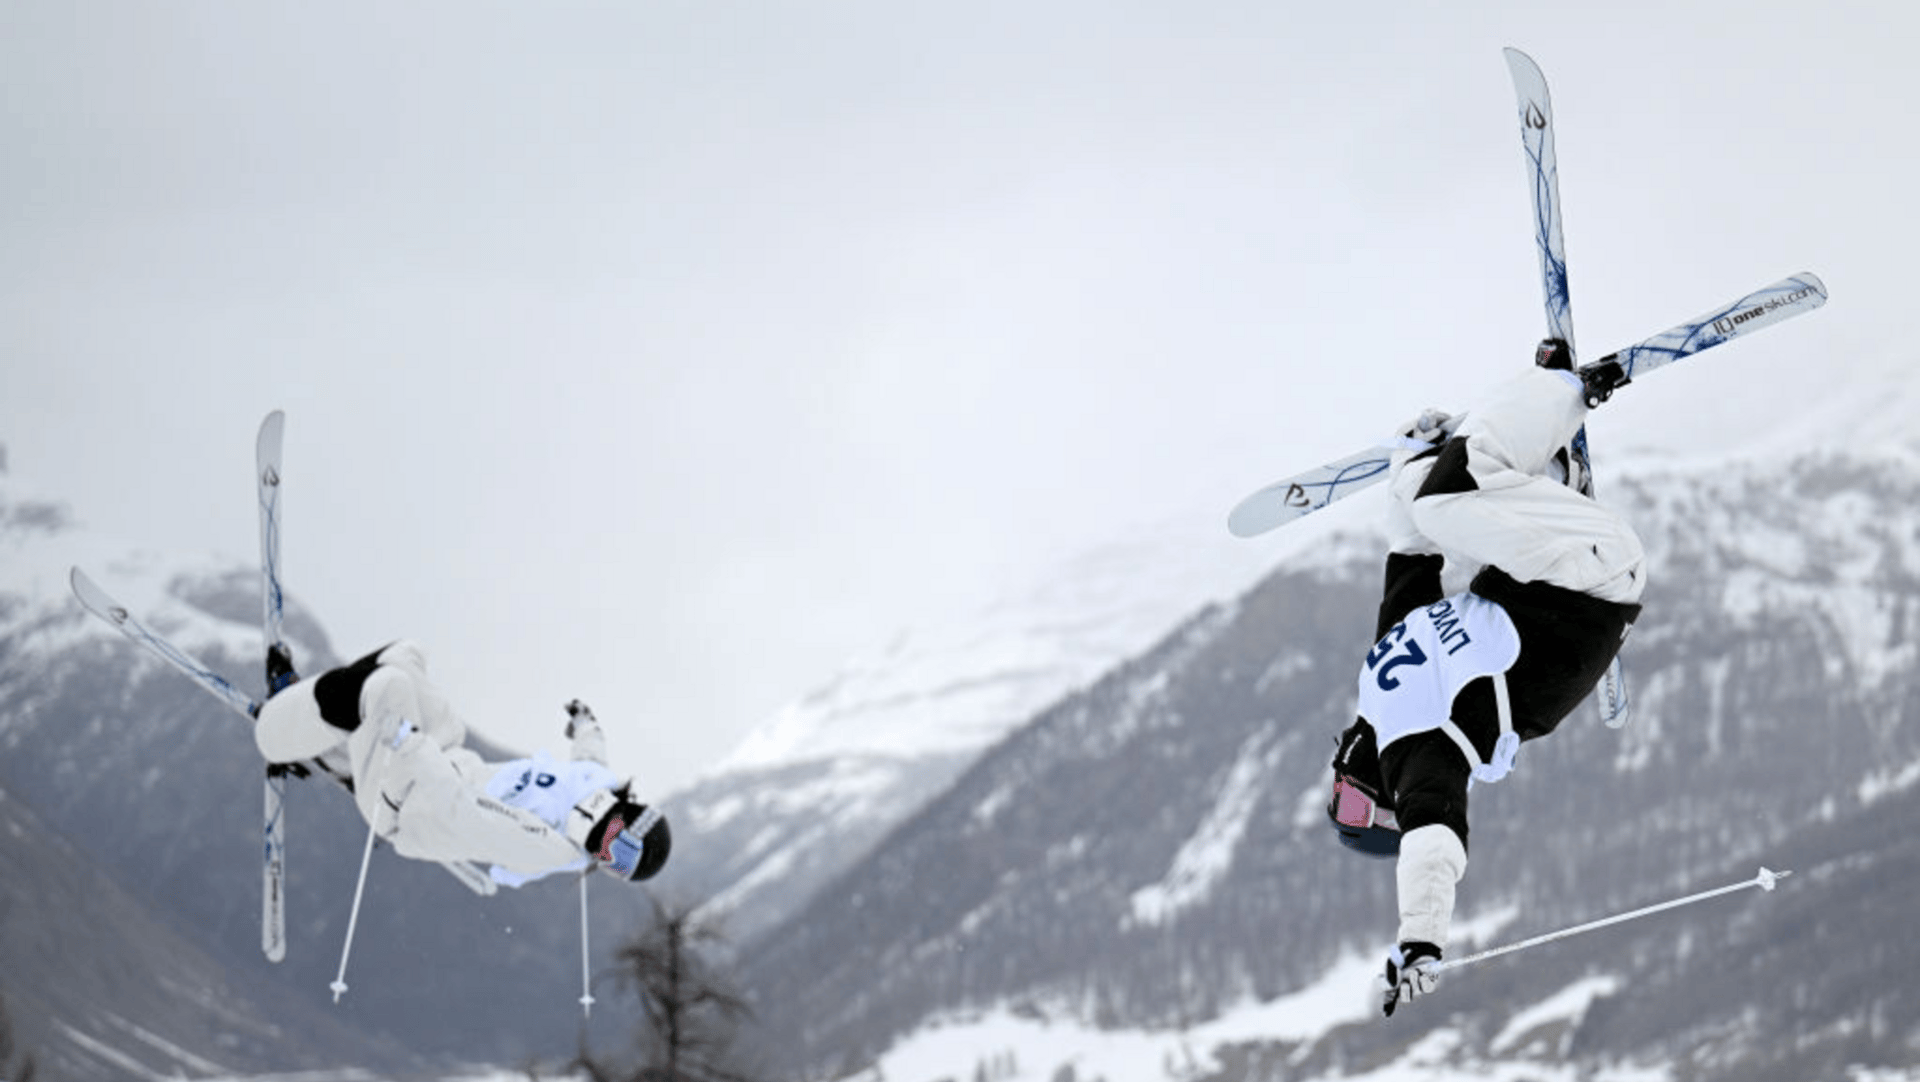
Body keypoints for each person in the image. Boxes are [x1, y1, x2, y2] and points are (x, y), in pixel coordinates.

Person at [1323, 342, 1639, 1017]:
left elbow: (1409, 551)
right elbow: (1432, 847)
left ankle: (1549, 466)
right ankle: (1558, 390)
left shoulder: (1381, 682)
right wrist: (1420, 939)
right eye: (1354, 812)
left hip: (1549, 565)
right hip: (1587, 585)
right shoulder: (1421, 761)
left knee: (1429, 497)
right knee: (1446, 495)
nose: (1344, 790)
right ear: (1389, 810)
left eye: (1337, 802)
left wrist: (1408, 459)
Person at [255, 640, 670, 886]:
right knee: (405, 656)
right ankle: (326, 738)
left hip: (411, 806)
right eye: (620, 844)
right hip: (447, 756)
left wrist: (411, 745)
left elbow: (464, 812)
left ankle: (273, 731)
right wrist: (585, 722)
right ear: (624, 809)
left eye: (615, 865)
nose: (603, 853)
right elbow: (590, 753)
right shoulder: (597, 782)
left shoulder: (548, 847)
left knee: (386, 689)